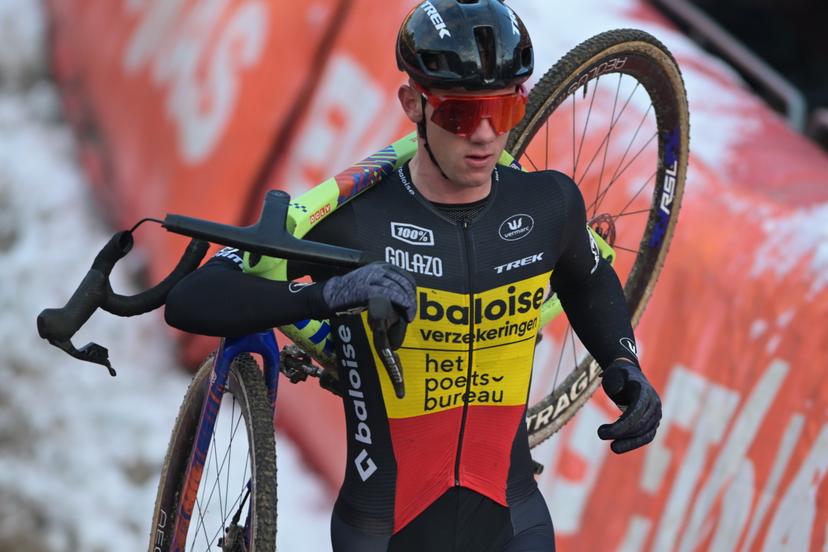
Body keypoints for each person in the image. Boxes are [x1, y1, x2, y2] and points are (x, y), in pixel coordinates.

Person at [164, 1, 662, 550]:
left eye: (503, 110)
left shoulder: (549, 204)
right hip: (386, 532)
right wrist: (331, 294)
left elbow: (586, 277)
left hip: (514, 525)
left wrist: (622, 362)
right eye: (459, 114)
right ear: (412, 104)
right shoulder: (354, 223)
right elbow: (192, 300)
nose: (484, 136)